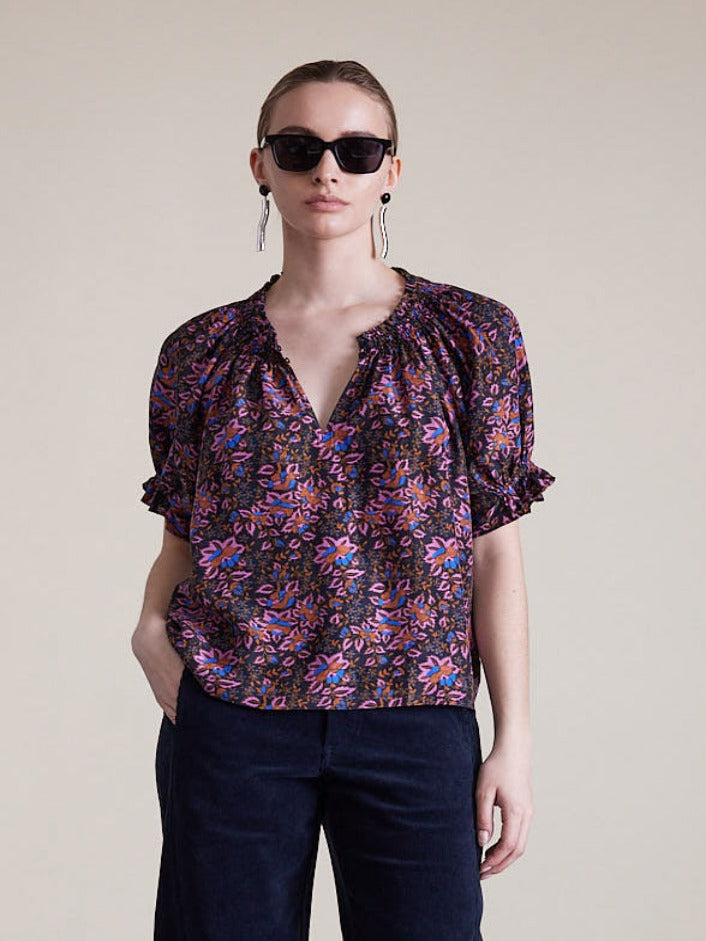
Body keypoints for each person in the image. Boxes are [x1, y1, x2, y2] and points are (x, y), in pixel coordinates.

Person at [131, 58, 556, 941]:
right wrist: (148, 628)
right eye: (300, 147)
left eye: (357, 150)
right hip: (234, 717)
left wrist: (512, 737)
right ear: (261, 164)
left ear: (391, 170)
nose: (328, 170)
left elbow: (493, 548)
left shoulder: (470, 335)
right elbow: (184, 534)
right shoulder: (202, 351)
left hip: (415, 715)